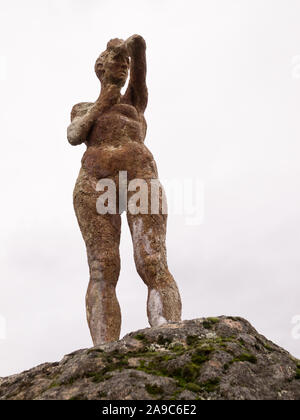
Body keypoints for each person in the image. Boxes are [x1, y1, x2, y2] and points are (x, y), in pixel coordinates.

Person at [67, 35, 182, 345]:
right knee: (102, 266)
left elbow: (141, 68)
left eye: (125, 64)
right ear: (100, 67)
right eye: (115, 62)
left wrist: (133, 48)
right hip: (96, 182)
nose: (123, 67)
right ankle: (103, 347)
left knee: (151, 258)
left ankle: (167, 330)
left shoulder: (134, 102)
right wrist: (102, 103)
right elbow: (74, 135)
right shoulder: (83, 107)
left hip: (139, 176)